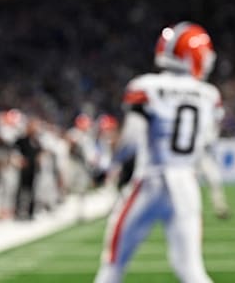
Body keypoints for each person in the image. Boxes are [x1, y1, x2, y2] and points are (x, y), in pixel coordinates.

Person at [94, 22, 223, 283]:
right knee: (191, 270)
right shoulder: (210, 95)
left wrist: (107, 167)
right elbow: (205, 149)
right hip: (186, 184)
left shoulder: (147, 86)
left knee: (113, 263)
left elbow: (131, 138)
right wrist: (216, 190)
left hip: (151, 180)